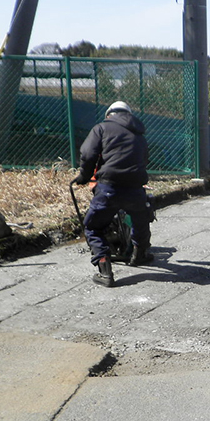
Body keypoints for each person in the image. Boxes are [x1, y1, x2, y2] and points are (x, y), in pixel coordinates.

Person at [72, 101, 153, 286]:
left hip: (110, 187)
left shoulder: (101, 128)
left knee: (92, 227)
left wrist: (84, 176)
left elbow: (87, 153)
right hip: (135, 188)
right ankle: (139, 254)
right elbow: (145, 159)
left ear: (109, 114)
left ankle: (105, 271)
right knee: (141, 220)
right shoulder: (139, 134)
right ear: (129, 115)